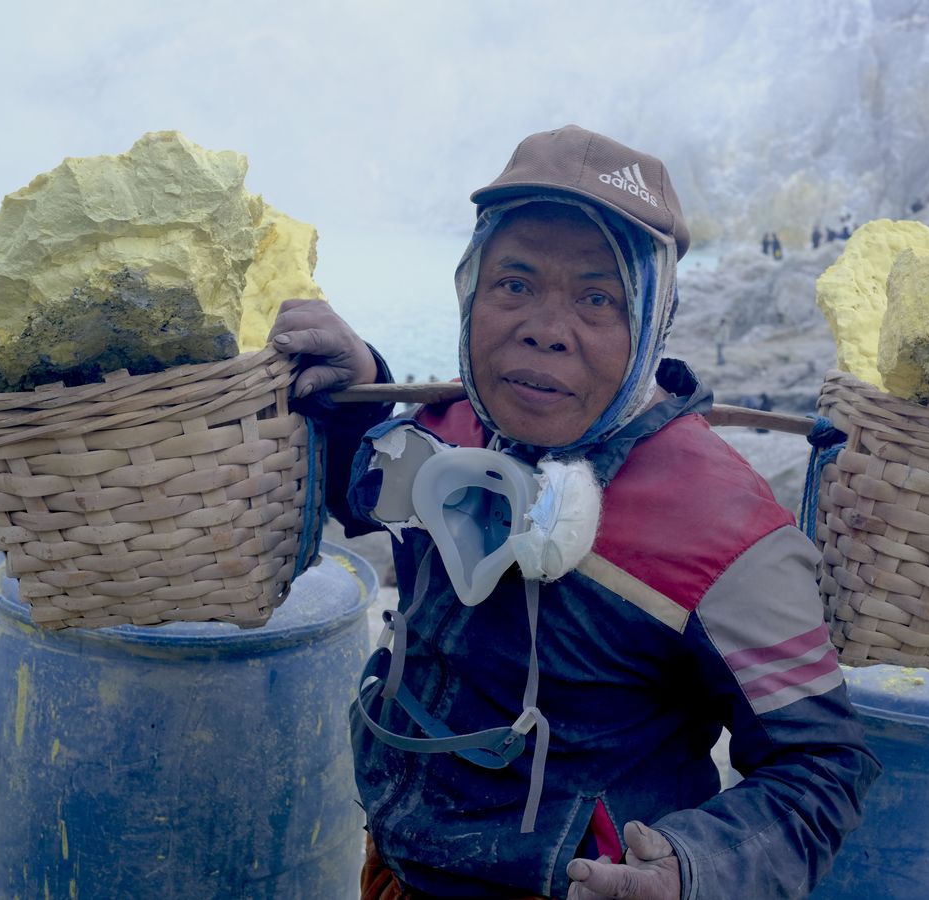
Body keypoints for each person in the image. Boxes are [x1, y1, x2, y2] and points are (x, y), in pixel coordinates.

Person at [269, 124, 879, 900]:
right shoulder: (448, 431)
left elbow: (822, 768)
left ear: (653, 318)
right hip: (393, 875)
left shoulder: (728, 535)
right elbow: (361, 489)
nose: (544, 329)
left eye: (597, 298)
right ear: (470, 291)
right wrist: (363, 389)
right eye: (514, 284)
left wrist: (694, 870)